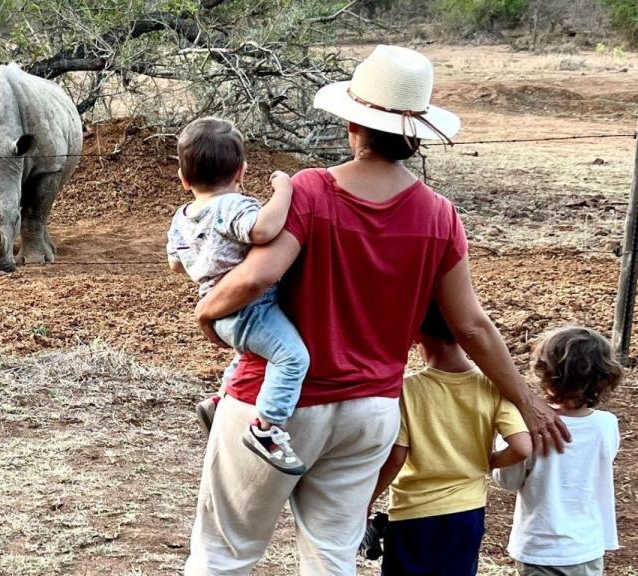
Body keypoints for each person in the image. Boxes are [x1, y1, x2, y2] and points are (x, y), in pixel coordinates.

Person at [184, 44, 569, 576]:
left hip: (281, 401)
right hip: (371, 413)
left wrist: (208, 312)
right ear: (415, 135)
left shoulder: (312, 190)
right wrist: (525, 400)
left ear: (352, 124)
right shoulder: (440, 215)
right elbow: (472, 326)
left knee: (225, 553)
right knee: (332, 556)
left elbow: (259, 275)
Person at [167, 117, 309, 475]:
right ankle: (267, 429)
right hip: (250, 307)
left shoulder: (181, 217)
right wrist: (285, 191)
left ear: (184, 179)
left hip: (218, 307)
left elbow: (174, 263)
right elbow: (262, 230)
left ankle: (220, 401)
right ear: (241, 172)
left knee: (251, 352)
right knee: (292, 358)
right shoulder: (233, 207)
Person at [363, 301, 532, 576]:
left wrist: (368, 500)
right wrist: (489, 461)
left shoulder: (407, 389)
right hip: (467, 512)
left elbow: (396, 458)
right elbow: (522, 448)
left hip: (412, 514)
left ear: (416, 335)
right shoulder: (493, 385)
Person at [493, 327, 622, 576]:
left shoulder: (528, 426)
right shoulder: (607, 425)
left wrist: (505, 433)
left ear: (545, 374)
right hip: (587, 549)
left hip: (539, 550)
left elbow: (507, 481)